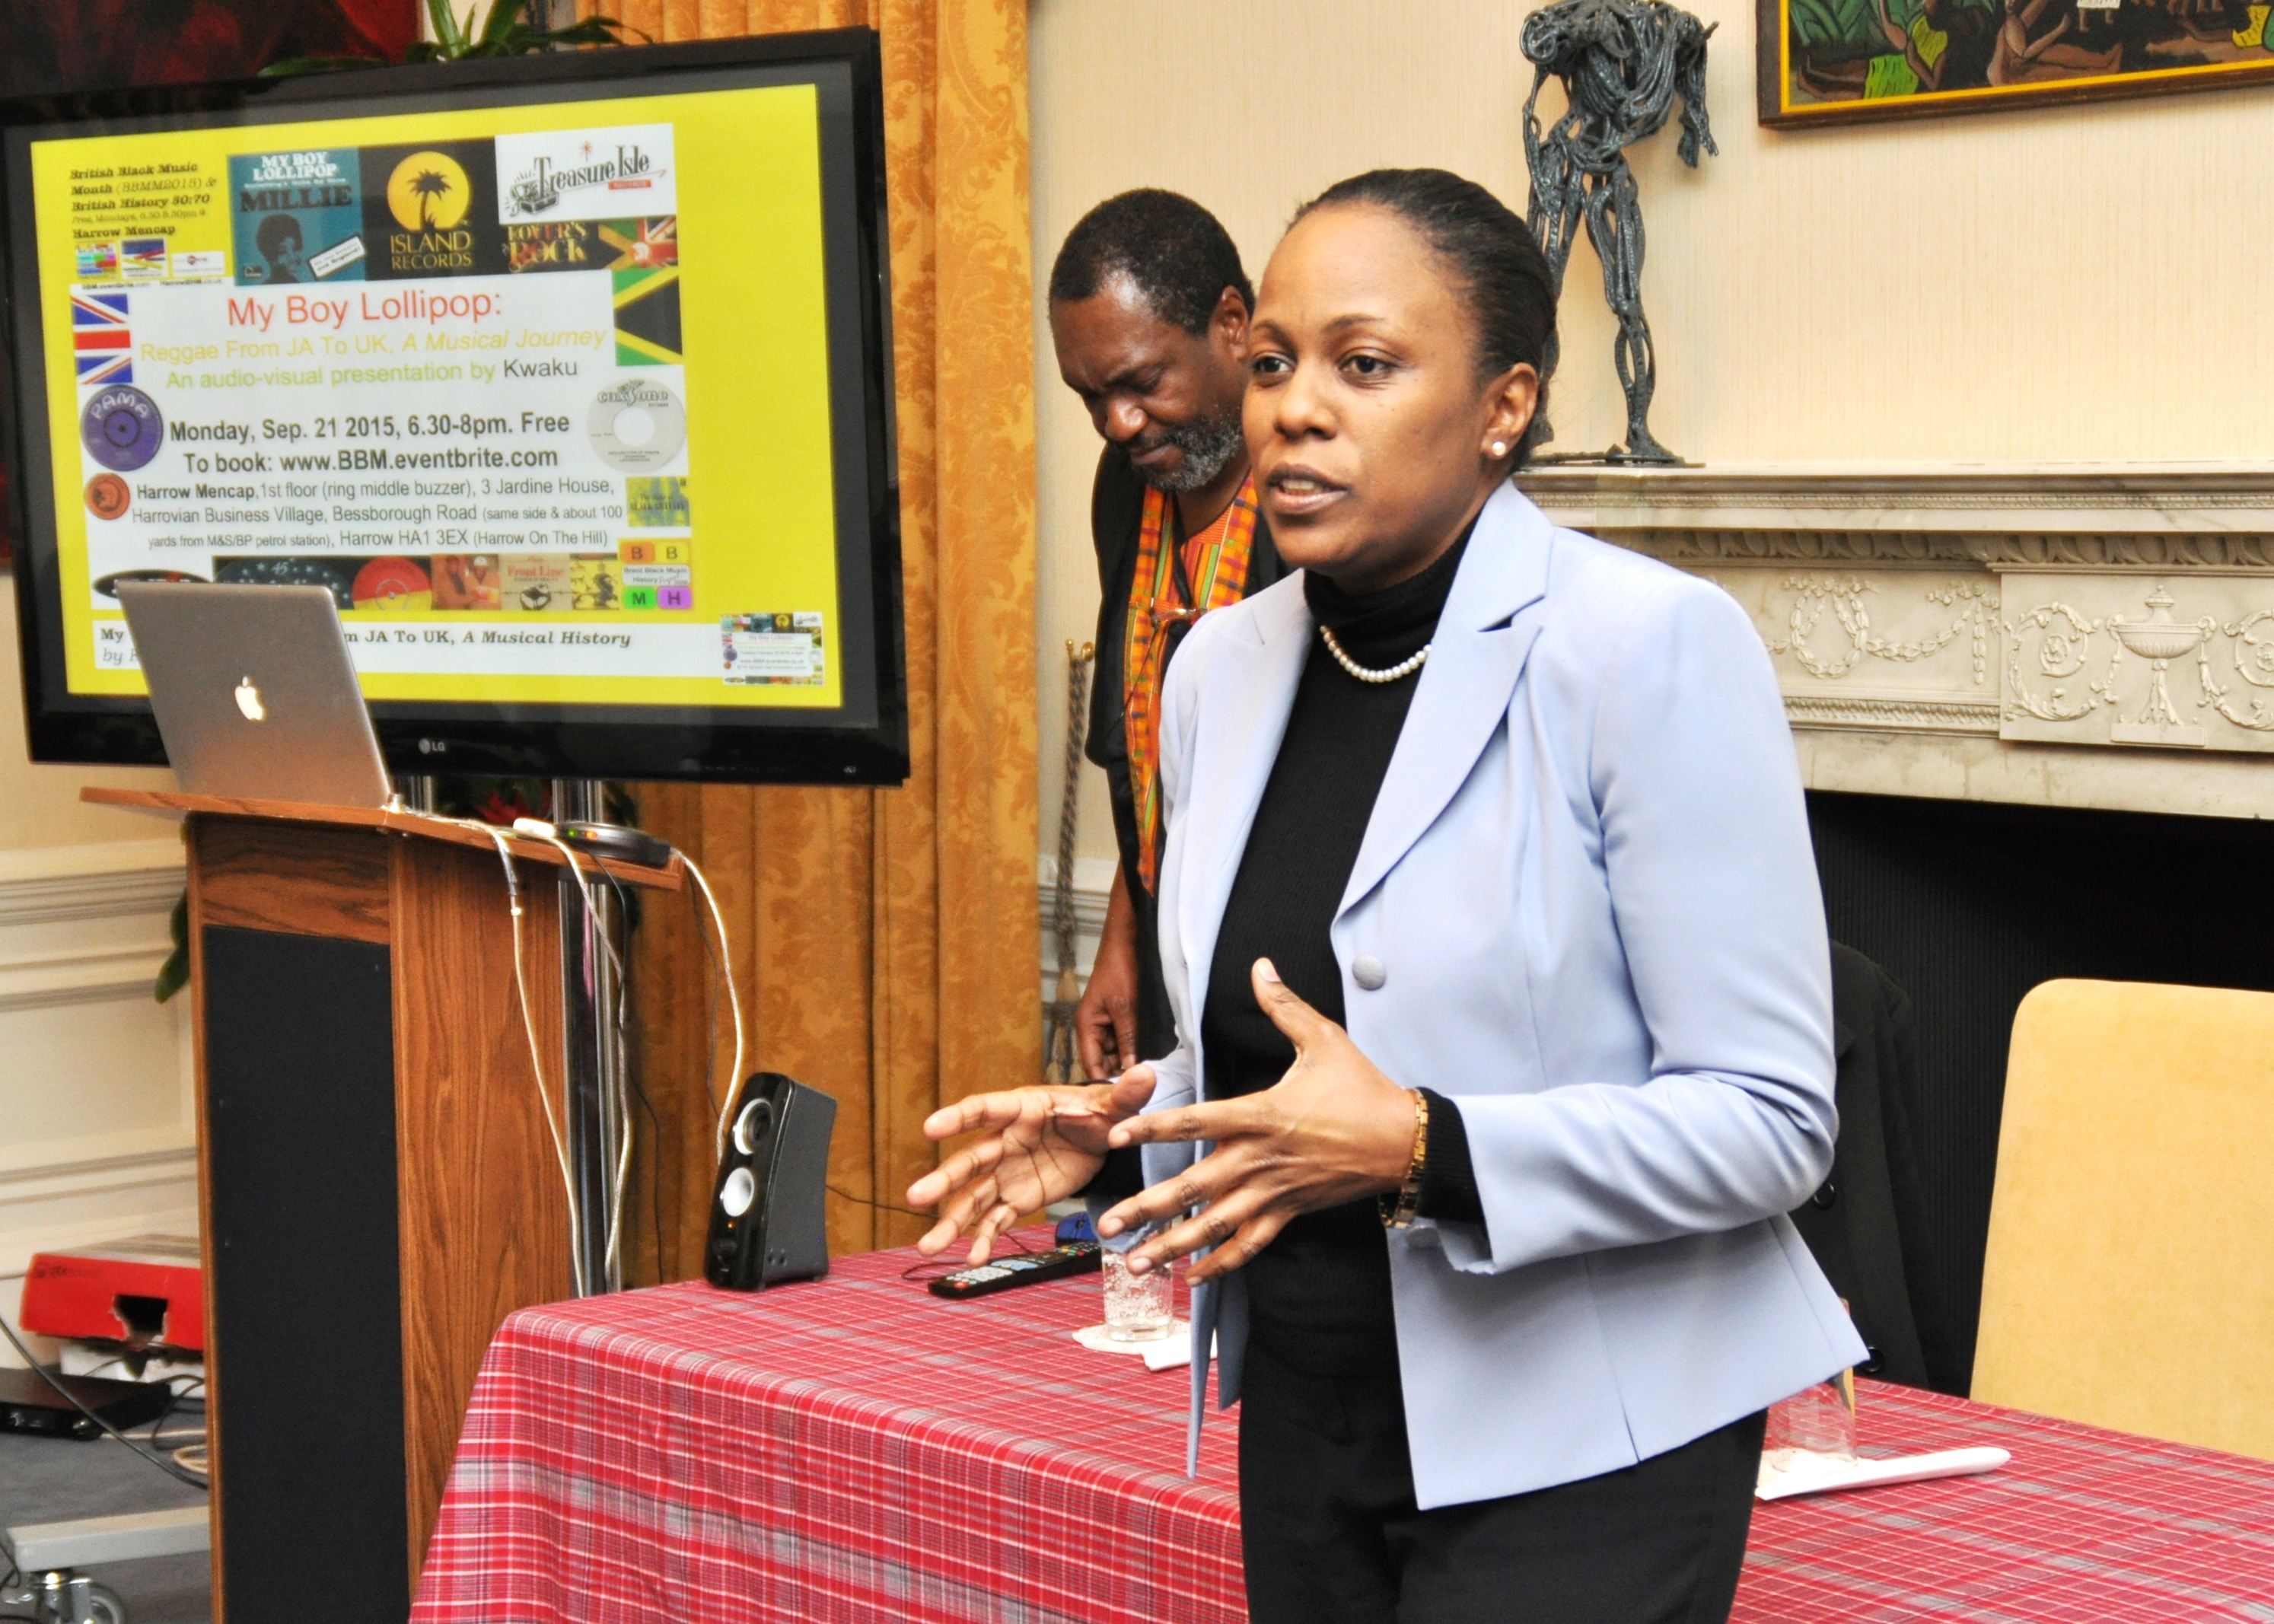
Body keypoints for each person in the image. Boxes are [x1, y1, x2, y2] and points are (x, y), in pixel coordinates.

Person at [912, 167, 1861, 1623]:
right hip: (1306, 1406)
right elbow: (1335, 1030)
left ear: (1502, 406)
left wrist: (1427, 1146)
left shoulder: (1644, 646)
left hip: (1587, 1438)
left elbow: (1770, 1118)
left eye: (1363, 365)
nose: (1294, 406)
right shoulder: (1216, 669)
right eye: (1278, 359)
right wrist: (1125, 1126)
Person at [1047, 190, 1285, 1086]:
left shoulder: (1310, 497)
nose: (1119, 423)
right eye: (1092, 396)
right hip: (1164, 958)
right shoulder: (1127, 486)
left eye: (1143, 383)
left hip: (1283, 984)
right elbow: (1149, 764)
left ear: (1233, 324)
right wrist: (1125, 940)